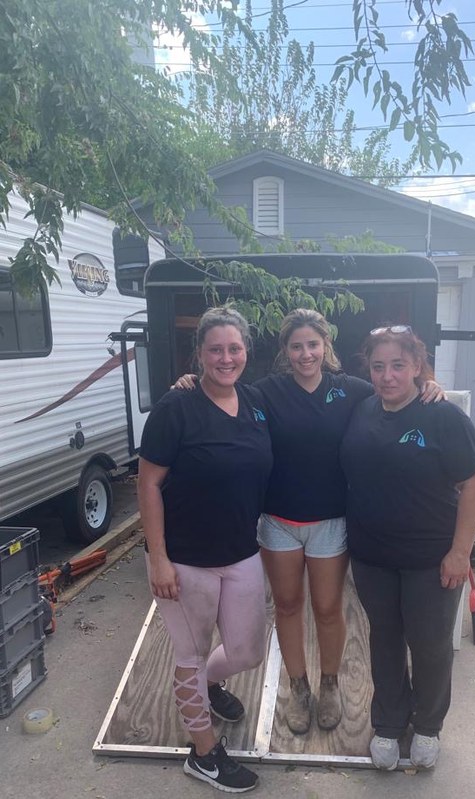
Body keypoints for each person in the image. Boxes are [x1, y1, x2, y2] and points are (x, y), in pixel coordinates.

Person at [174, 308, 443, 736]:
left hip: (331, 522)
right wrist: (189, 383)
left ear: (325, 345)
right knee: (287, 606)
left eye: (313, 344)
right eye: (297, 346)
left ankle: (329, 684)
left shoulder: (350, 390)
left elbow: (394, 392)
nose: (306, 354)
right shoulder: (264, 393)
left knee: (328, 608)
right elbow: (219, 391)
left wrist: (427, 383)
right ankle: (298, 687)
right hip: (279, 521)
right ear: (286, 350)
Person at [340, 325, 475, 770]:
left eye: (398, 366)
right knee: (384, 641)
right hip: (373, 558)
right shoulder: (362, 409)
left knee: (430, 645)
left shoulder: (442, 416)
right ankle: (388, 723)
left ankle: (427, 724)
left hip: (431, 559)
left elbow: (474, 482)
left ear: (417, 366)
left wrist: (460, 552)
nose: (387, 376)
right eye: (378, 366)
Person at [137, 307, 273, 793]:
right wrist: (158, 558)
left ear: (246, 351)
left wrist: (423, 385)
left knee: (247, 651)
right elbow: (148, 484)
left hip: (241, 552)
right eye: (215, 349)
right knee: (191, 654)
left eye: (234, 348)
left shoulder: (255, 401)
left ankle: (211, 687)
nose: (226, 358)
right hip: (184, 558)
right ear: (199, 354)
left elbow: (315, 388)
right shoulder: (176, 407)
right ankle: (204, 754)